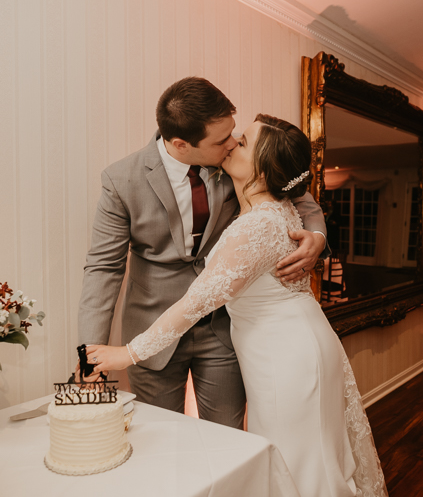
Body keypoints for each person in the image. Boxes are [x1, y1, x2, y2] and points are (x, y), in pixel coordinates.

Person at [86, 114, 387, 497]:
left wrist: (125, 355)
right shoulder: (271, 206)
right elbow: (103, 267)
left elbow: (195, 302)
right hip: (296, 344)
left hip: (285, 358)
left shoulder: (258, 223)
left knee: (294, 465)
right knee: (313, 457)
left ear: (262, 171)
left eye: (242, 142)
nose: (231, 144)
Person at [77, 77, 329, 430]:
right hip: (150, 329)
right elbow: (103, 268)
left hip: (224, 331)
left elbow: (299, 195)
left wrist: (317, 236)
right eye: (222, 140)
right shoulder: (122, 180)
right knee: (159, 438)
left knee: (227, 439)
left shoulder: (240, 164)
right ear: (182, 145)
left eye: (234, 134)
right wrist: (89, 354)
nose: (231, 144)